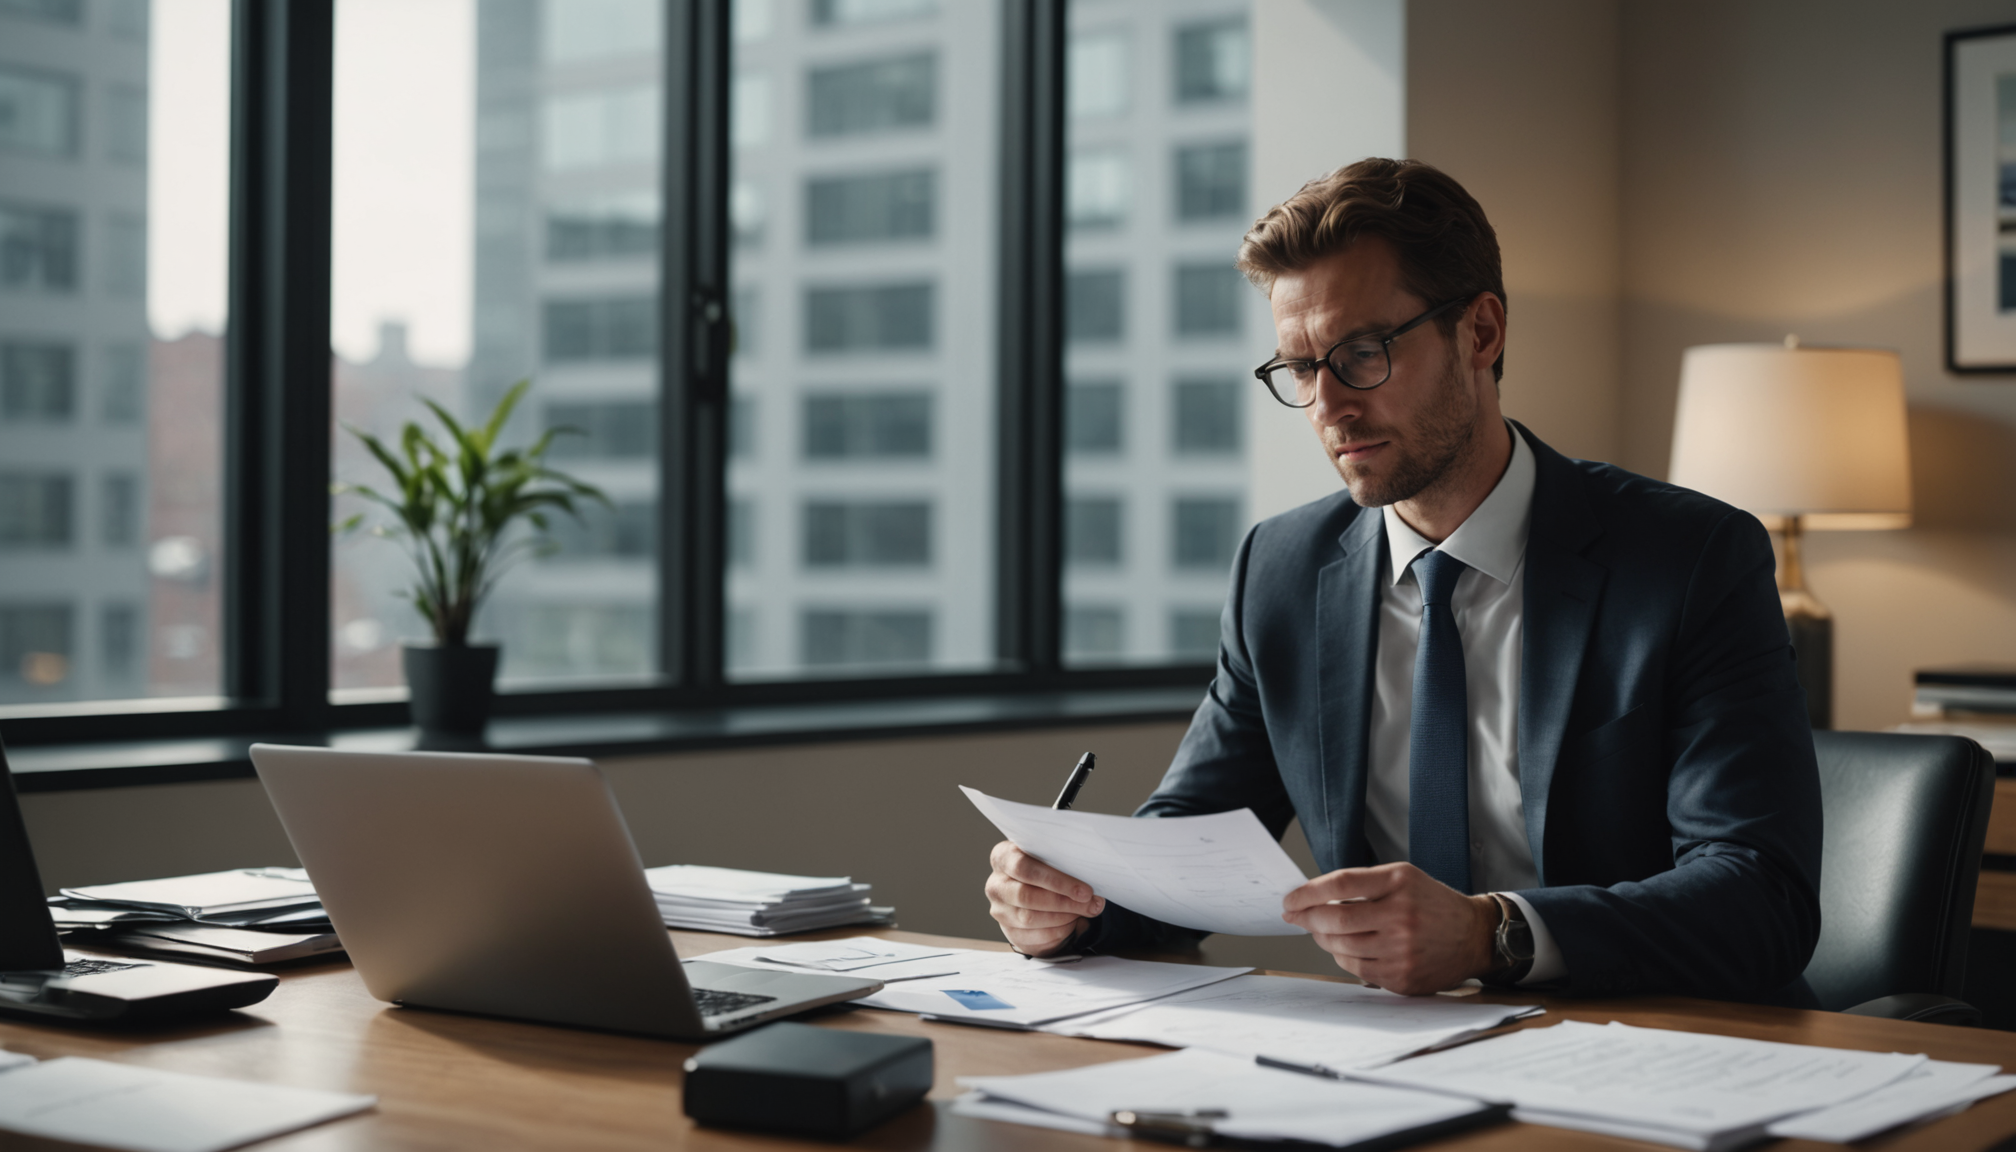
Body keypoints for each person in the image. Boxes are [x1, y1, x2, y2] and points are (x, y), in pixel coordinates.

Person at [983, 157, 1822, 1002]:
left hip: (1655, 1047)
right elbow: (1189, 852)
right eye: (1302, 369)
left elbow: (1761, 897)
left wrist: (1493, 933)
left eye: (1363, 353)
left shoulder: (1691, 559)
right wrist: (1073, 902)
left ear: (1481, 334)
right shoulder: (1281, 569)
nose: (1329, 407)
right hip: (1400, 1056)